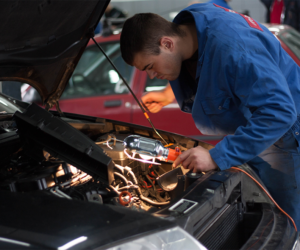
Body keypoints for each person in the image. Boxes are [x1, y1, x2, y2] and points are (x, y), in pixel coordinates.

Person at [120, 3, 300, 228]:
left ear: (166, 43)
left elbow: (279, 112)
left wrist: (216, 156)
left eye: (150, 67)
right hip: (257, 128)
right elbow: (211, 69)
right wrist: (168, 94)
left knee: (287, 224)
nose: (153, 75)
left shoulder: (235, 49)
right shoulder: (194, 23)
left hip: (284, 132)